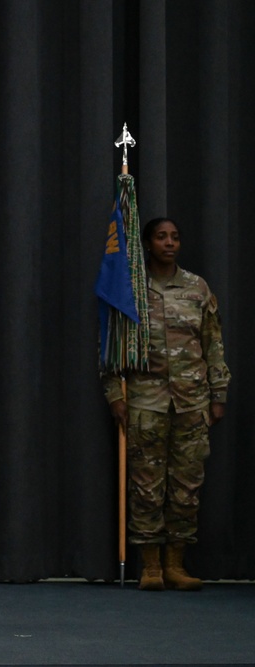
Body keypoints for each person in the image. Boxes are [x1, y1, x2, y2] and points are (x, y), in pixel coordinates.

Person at [103, 217, 230, 591]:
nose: (169, 243)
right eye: (161, 237)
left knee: (187, 486)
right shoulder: (130, 291)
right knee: (146, 487)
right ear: (148, 244)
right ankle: (151, 567)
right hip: (146, 402)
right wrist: (114, 395)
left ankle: (176, 563)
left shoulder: (196, 288)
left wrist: (218, 395)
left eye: (175, 237)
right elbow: (111, 349)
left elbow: (213, 344)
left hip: (192, 401)